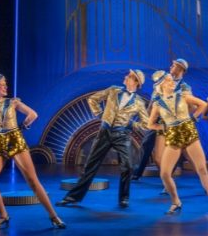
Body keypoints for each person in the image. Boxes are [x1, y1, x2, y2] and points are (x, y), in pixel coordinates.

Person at [0, 71, 65, 229]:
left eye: (5, 84)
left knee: (32, 180)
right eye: (3, 85)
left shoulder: (13, 102)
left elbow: (33, 114)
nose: (6, 87)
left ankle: (53, 216)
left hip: (15, 140)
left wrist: (22, 127)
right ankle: (3, 215)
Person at [58, 69, 148, 208]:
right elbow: (93, 99)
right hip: (104, 132)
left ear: (136, 82)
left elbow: (145, 123)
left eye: (129, 76)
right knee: (90, 166)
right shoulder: (114, 90)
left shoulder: (139, 102)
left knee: (128, 166)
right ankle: (72, 197)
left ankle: (124, 198)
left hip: (122, 135)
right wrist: (100, 114)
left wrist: (131, 123)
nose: (125, 77)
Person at [146, 70, 208, 215]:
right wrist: (164, 127)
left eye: (172, 80)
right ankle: (176, 202)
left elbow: (202, 104)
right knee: (164, 174)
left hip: (189, 133)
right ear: (161, 85)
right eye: (168, 80)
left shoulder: (183, 95)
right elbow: (150, 124)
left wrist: (193, 118)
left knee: (202, 169)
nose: (172, 82)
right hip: (173, 136)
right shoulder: (158, 104)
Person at [132, 58, 191, 182]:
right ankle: (138, 172)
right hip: (158, 121)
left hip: (173, 123)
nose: (170, 67)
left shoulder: (184, 87)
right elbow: (153, 101)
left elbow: (188, 106)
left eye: (173, 66)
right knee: (146, 144)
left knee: (176, 149)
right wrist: (148, 118)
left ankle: (169, 176)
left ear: (180, 69)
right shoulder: (162, 81)